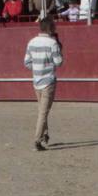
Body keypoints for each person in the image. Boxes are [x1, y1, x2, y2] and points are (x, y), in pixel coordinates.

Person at [23, 15, 63, 151]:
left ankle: (45, 135)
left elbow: (27, 62)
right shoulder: (52, 43)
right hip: (48, 80)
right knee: (43, 112)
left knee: (42, 110)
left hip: (36, 80)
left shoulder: (32, 42)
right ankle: (37, 140)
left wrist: (37, 68)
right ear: (51, 28)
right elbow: (59, 62)